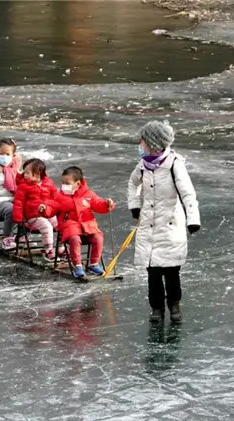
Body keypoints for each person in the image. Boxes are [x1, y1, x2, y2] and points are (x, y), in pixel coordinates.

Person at [127, 121, 200, 323]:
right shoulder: (142, 166)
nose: (139, 144)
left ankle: (174, 305)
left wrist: (193, 219)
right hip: (149, 227)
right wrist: (134, 205)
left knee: (171, 271)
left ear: (152, 142)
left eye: (141, 140)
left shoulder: (174, 164)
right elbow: (132, 185)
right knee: (153, 272)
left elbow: (188, 193)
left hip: (170, 226)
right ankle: (156, 308)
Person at [48, 166, 115, 278]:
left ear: (78, 183)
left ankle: (93, 264)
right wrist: (44, 209)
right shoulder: (59, 196)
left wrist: (107, 204)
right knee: (75, 238)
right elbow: (51, 206)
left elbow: (98, 204)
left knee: (98, 237)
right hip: (69, 226)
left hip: (87, 226)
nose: (64, 185)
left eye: (67, 183)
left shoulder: (88, 194)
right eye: (62, 182)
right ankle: (77, 266)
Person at [11, 158, 64, 260]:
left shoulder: (48, 183)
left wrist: (58, 208)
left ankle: (61, 247)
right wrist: (19, 219)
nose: (25, 175)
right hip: (32, 217)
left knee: (62, 224)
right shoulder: (23, 187)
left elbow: (55, 198)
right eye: (24, 172)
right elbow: (18, 203)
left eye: (28, 173)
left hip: (48, 213)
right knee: (47, 226)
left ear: (38, 174)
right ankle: (48, 251)